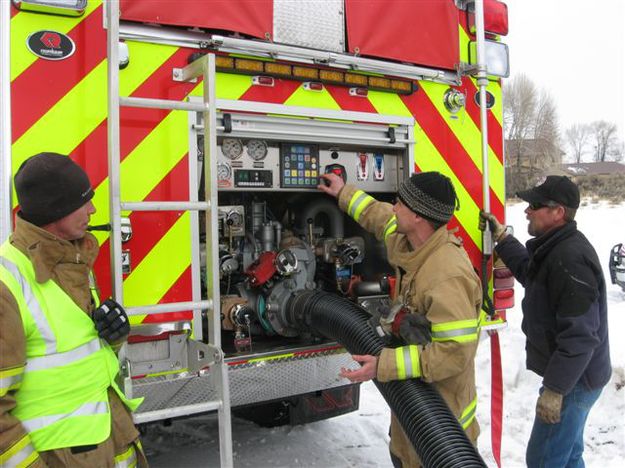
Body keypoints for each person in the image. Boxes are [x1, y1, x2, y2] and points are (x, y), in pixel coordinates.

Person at [318, 171, 482, 467]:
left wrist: (384, 365)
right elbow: (378, 215)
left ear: (419, 216)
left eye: (399, 203)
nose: (394, 207)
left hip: (444, 434)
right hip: (410, 424)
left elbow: (454, 353)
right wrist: (344, 193)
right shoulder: (409, 239)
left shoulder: (448, 276)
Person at [0, 153, 147, 467]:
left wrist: (111, 337)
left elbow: (69, 351)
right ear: (56, 210)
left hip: (105, 443)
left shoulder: (71, 259)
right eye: (85, 201)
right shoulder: (8, 283)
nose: (93, 209)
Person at [480, 175, 611, 467]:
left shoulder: (570, 259)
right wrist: (503, 239)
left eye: (535, 205)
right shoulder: (554, 247)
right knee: (569, 455)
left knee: (543, 460)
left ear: (558, 212)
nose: (527, 210)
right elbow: (531, 273)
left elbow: (580, 338)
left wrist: (555, 390)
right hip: (573, 375)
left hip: (575, 380)